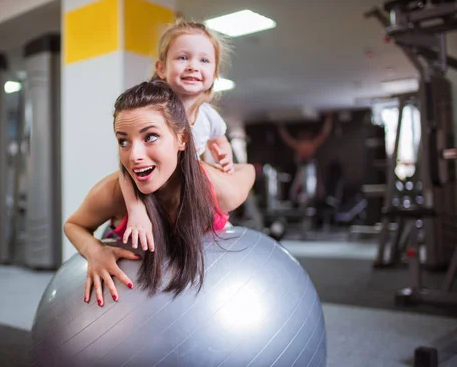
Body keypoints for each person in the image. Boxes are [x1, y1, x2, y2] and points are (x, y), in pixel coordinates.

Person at [64, 81, 255, 306]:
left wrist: (226, 165)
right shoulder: (114, 191)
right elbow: (73, 225)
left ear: (182, 139)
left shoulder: (220, 190)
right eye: (123, 141)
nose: (134, 155)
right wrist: (95, 250)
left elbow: (248, 170)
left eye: (150, 137)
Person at [118, 18, 237, 253]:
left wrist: (225, 155)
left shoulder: (208, 116)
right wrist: (136, 210)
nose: (193, 66)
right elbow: (125, 171)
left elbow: (219, 138)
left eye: (204, 60)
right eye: (183, 58)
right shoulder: (153, 112)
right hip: (152, 192)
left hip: (186, 192)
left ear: (214, 74)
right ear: (161, 68)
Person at [277, 114, 333, 204]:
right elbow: (323, 134)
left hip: (306, 172)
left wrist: (281, 126)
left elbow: (323, 135)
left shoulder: (310, 145)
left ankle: (305, 200)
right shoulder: (305, 145)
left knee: (306, 188)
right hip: (305, 170)